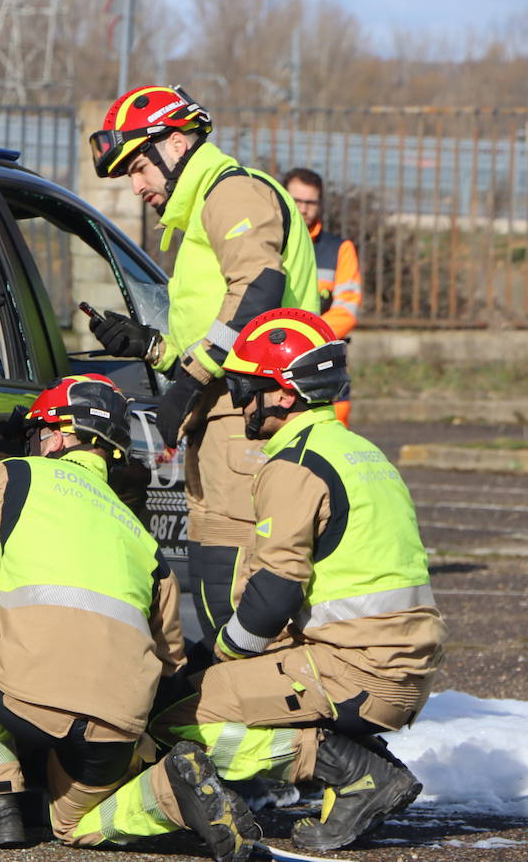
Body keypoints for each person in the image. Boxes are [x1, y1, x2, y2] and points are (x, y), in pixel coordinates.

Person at [0, 375, 258, 862]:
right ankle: (171, 793)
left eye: (37, 433)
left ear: (57, 434)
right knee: (75, 824)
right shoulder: (140, 536)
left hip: (27, 700)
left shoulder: (18, 475)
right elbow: (171, 663)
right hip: (114, 727)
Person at [149, 307, 446, 852]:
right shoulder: (361, 451)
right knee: (231, 675)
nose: (239, 402)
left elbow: (274, 593)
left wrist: (216, 655)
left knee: (177, 717)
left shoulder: (293, 465)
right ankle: (362, 765)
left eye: (246, 387)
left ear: (284, 395)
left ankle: (362, 776)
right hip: (400, 663)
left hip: (359, 670)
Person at [85, 85, 320, 653]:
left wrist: (187, 381)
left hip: (251, 422)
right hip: (227, 423)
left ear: (176, 141)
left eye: (140, 167)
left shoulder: (231, 193)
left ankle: (277, 735)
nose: (137, 186)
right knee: (220, 595)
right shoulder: (200, 217)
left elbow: (258, 291)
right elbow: (222, 337)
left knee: (239, 591)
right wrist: (154, 349)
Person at [283, 167, 362, 426]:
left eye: (310, 202)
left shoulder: (340, 249)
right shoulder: (270, 243)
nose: (303, 209)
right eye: (297, 201)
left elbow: (346, 310)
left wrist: (305, 338)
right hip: (276, 364)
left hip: (325, 365)